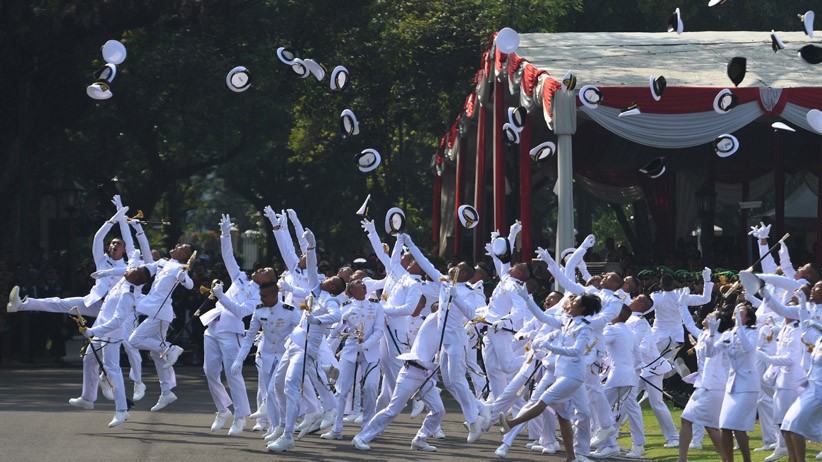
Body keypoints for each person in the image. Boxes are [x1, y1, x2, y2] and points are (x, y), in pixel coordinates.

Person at [499, 292, 602, 462]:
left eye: (574, 302)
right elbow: (542, 317)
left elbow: (577, 351)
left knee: (544, 399)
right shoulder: (566, 321)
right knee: (563, 417)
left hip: (573, 375)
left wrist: (550, 347)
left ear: (581, 308)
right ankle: (571, 457)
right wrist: (527, 299)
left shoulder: (584, 327)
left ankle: (512, 423)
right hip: (562, 373)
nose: (570, 303)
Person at [199, 214, 275, 436]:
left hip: (231, 332)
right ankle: (223, 409)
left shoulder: (258, 298)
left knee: (234, 374)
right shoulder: (241, 278)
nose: (259, 270)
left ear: (267, 281)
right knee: (210, 371)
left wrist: (222, 297)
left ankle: (240, 416)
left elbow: (241, 311)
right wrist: (224, 233)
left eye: (264, 272)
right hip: (213, 326)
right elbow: (228, 256)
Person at [128, 242, 195, 412]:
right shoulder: (163, 263)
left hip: (160, 314)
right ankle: (166, 392)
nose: (177, 245)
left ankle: (172, 349)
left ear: (184, 254)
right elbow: (142, 267)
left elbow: (190, 285)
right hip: (154, 311)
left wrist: (183, 275)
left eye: (181, 246)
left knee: (134, 340)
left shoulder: (180, 267)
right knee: (157, 355)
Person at [708, 303, 760, 462]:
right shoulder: (727, 334)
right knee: (724, 426)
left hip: (748, 385)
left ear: (748, 317)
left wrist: (739, 327)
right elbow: (710, 353)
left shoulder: (753, 331)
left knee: (738, 428)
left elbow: (748, 348)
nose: (737, 313)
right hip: (733, 385)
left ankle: (747, 460)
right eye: (735, 311)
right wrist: (711, 334)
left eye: (741, 312)